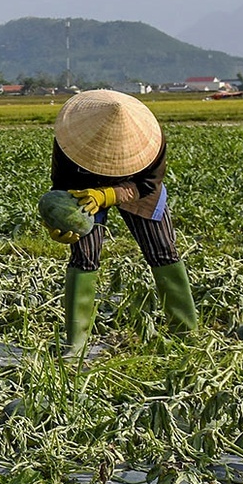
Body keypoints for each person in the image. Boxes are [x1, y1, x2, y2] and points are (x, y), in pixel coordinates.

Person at [47, 89, 196, 356]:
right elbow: (62, 185)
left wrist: (109, 194)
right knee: (84, 256)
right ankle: (76, 343)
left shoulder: (151, 141)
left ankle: (184, 332)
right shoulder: (70, 141)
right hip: (84, 188)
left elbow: (149, 184)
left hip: (138, 188)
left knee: (162, 251)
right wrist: (59, 225)